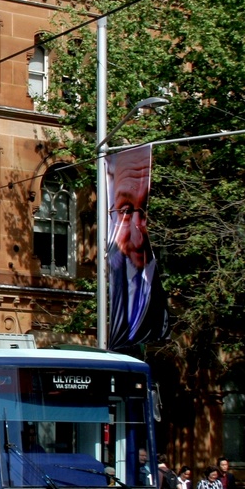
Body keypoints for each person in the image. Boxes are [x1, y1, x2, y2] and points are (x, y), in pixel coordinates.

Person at [106, 145, 170, 349]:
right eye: (125, 211)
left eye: (142, 212)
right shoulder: (115, 273)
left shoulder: (154, 289)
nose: (137, 230)